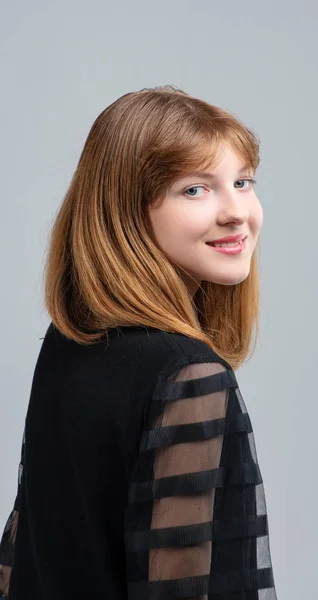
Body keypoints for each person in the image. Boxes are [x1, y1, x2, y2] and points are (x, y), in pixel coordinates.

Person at [0, 85, 278, 599]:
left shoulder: (67, 345)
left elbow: (22, 557)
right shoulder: (189, 376)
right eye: (195, 189)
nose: (237, 211)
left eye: (242, 182)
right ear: (126, 211)